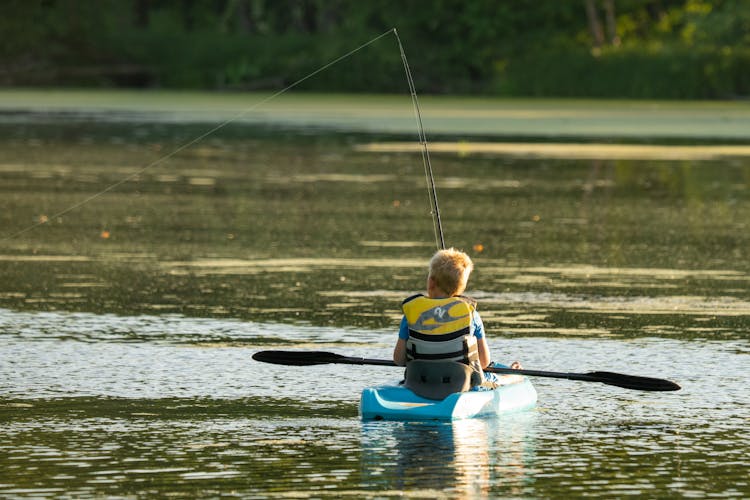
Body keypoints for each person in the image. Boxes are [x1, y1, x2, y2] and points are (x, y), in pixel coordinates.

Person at [393, 248, 520, 397]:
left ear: (431, 283)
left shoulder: (411, 314)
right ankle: (514, 376)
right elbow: (484, 362)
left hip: (419, 381)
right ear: (461, 288)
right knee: (493, 378)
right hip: (462, 384)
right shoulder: (472, 314)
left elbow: (398, 359)